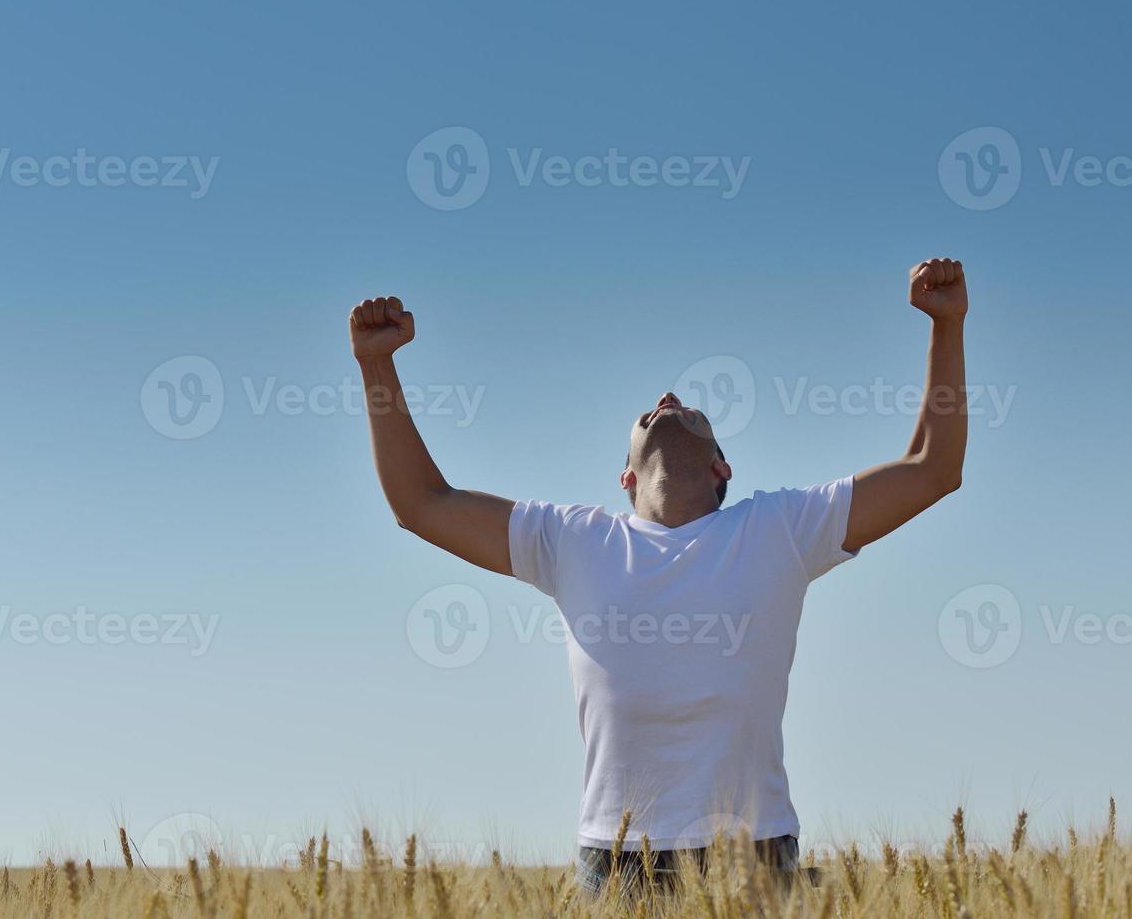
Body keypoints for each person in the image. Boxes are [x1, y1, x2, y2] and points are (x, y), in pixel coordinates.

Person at [348, 259, 969, 893]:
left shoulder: (780, 527)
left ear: (723, 468)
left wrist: (947, 326)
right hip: (615, 860)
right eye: (653, 407)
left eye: (690, 410)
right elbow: (421, 504)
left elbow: (932, 468)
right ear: (625, 479)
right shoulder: (572, 539)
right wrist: (377, 367)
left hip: (752, 854)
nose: (668, 399)